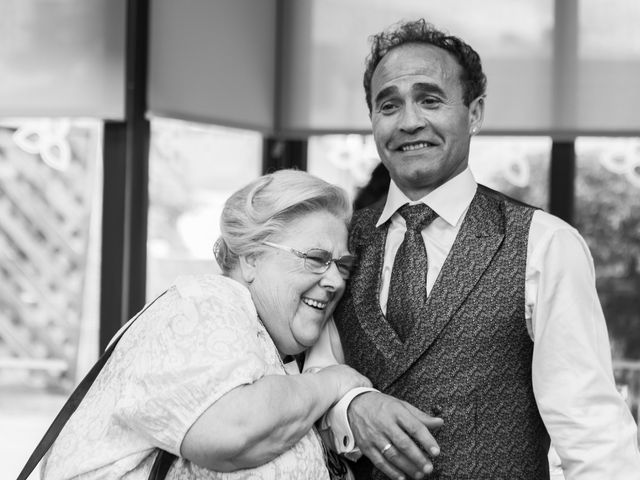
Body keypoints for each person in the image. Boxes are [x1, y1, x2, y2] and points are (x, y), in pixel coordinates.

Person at [306, 18, 640, 480]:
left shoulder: (544, 244)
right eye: (389, 105)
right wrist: (350, 405)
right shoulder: (340, 243)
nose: (409, 121)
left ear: (475, 113)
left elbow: (592, 431)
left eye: (430, 99)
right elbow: (311, 377)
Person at [41, 169, 377, 479]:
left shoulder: (264, 342)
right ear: (252, 258)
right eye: (316, 259)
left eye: (342, 266)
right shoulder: (204, 301)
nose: (335, 280)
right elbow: (231, 432)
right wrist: (333, 383)